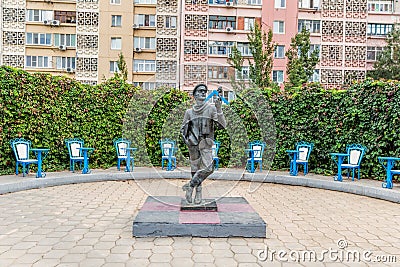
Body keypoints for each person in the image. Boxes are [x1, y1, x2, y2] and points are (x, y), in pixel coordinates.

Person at [180, 84, 226, 204]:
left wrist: (219, 108)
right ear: (194, 95)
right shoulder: (189, 112)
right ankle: (198, 192)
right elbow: (183, 129)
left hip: (206, 144)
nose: (203, 93)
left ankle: (190, 186)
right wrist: (188, 140)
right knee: (195, 168)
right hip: (193, 145)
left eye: (204, 91)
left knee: (208, 168)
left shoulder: (211, 109)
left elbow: (222, 125)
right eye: (200, 91)